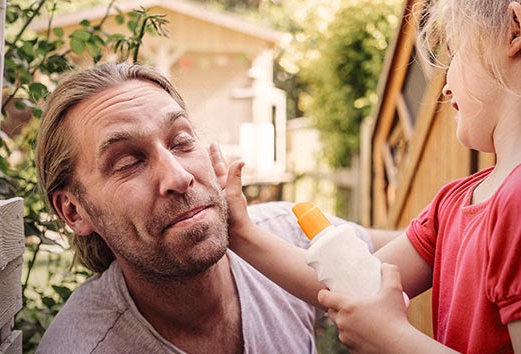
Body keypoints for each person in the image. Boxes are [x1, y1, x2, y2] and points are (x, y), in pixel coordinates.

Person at [220, 0, 521, 353]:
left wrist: (392, 338)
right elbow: (351, 281)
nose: (445, 84)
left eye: (453, 53)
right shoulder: (461, 199)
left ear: (513, 30)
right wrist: (242, 235)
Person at [32, 63, 397, 354]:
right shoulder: (80, 346)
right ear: (74, 211)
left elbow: (431, 247)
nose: (178, 177)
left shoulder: (282, 235)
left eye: (181, 140)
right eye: (128, 162)